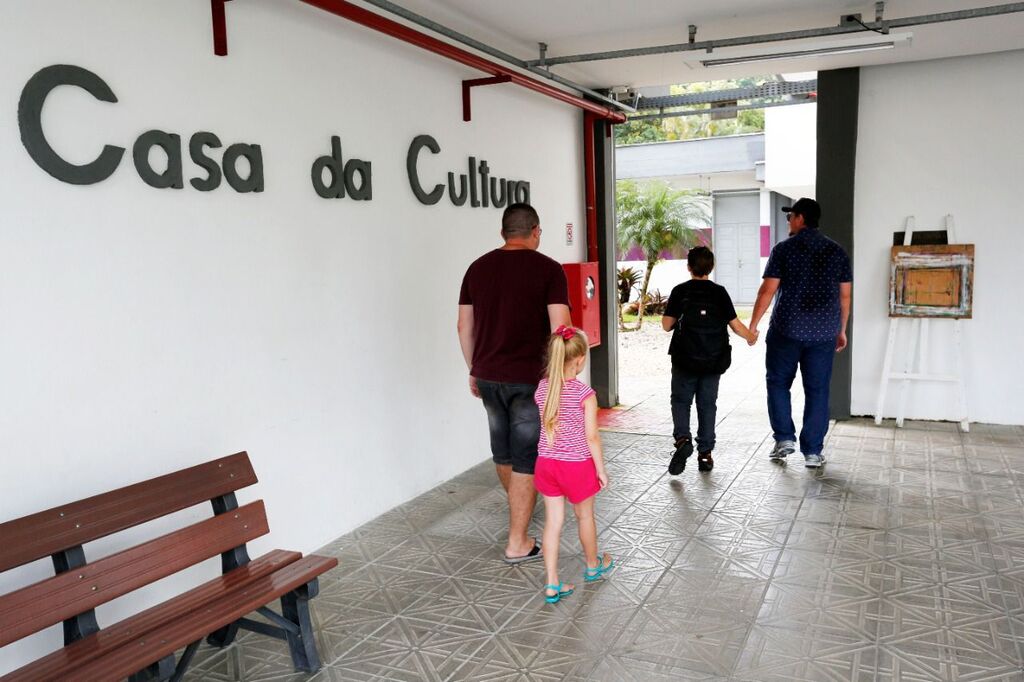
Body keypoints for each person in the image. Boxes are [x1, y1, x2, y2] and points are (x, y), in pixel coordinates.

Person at [458, 203, 572, 564]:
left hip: (489, 377)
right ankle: (517, 541)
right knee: (526, 457)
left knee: (503, 451)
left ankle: (519, 512)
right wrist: (563, 378)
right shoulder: (549, 270)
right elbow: (561, 328)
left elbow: (464, 326)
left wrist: (474, 367)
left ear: (503, 232)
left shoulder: (477, 268)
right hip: (529, 380)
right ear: (535, 231)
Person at [749, 198, 852, 468]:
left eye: (790, 216)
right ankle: (813, 452)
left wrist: (753, 325)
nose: (788, 222)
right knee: (817, 390)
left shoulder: (783, 250)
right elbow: (845, 296)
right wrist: (841, 330)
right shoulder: (837, 252)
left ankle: (784, 438)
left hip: (787, 330)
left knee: (778, 383)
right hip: (823, 333)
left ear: (801, 218)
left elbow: (767, 291)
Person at [533, 326, 613, 603]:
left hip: (546, 463)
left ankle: (552, 583)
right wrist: (601, 470)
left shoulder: (542, 389)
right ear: (579, 360)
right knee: (584, 516)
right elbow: (592, 436)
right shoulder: (584, 394)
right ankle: (593, 565)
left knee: (553, 522)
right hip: (576, 466)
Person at [662, 246, 757, 476]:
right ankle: (705, 454)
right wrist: (751, 337)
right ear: (711, 267)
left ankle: (683, 439)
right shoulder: (719, 292)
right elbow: (735, 326)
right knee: (707, 404)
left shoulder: (680, 291)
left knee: (681, 401)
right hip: (713, 360)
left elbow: (666, 325)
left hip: (684, 359)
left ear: (689, 267)